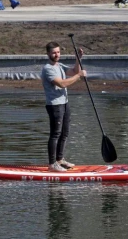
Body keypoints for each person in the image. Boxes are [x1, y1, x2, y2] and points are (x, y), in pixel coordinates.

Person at [41, 42, 87, 172]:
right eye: (54, 53)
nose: (57, 55)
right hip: (54, 105)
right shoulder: (48, 69)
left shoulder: (59, 66)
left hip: (64, 103)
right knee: (55, 134)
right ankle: (52, 164)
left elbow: (74, 71)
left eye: (58, 52)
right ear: (48, 54)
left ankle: (60, 160)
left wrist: (78, 58)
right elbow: (61, 84)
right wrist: (79, 76)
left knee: (65, 133)